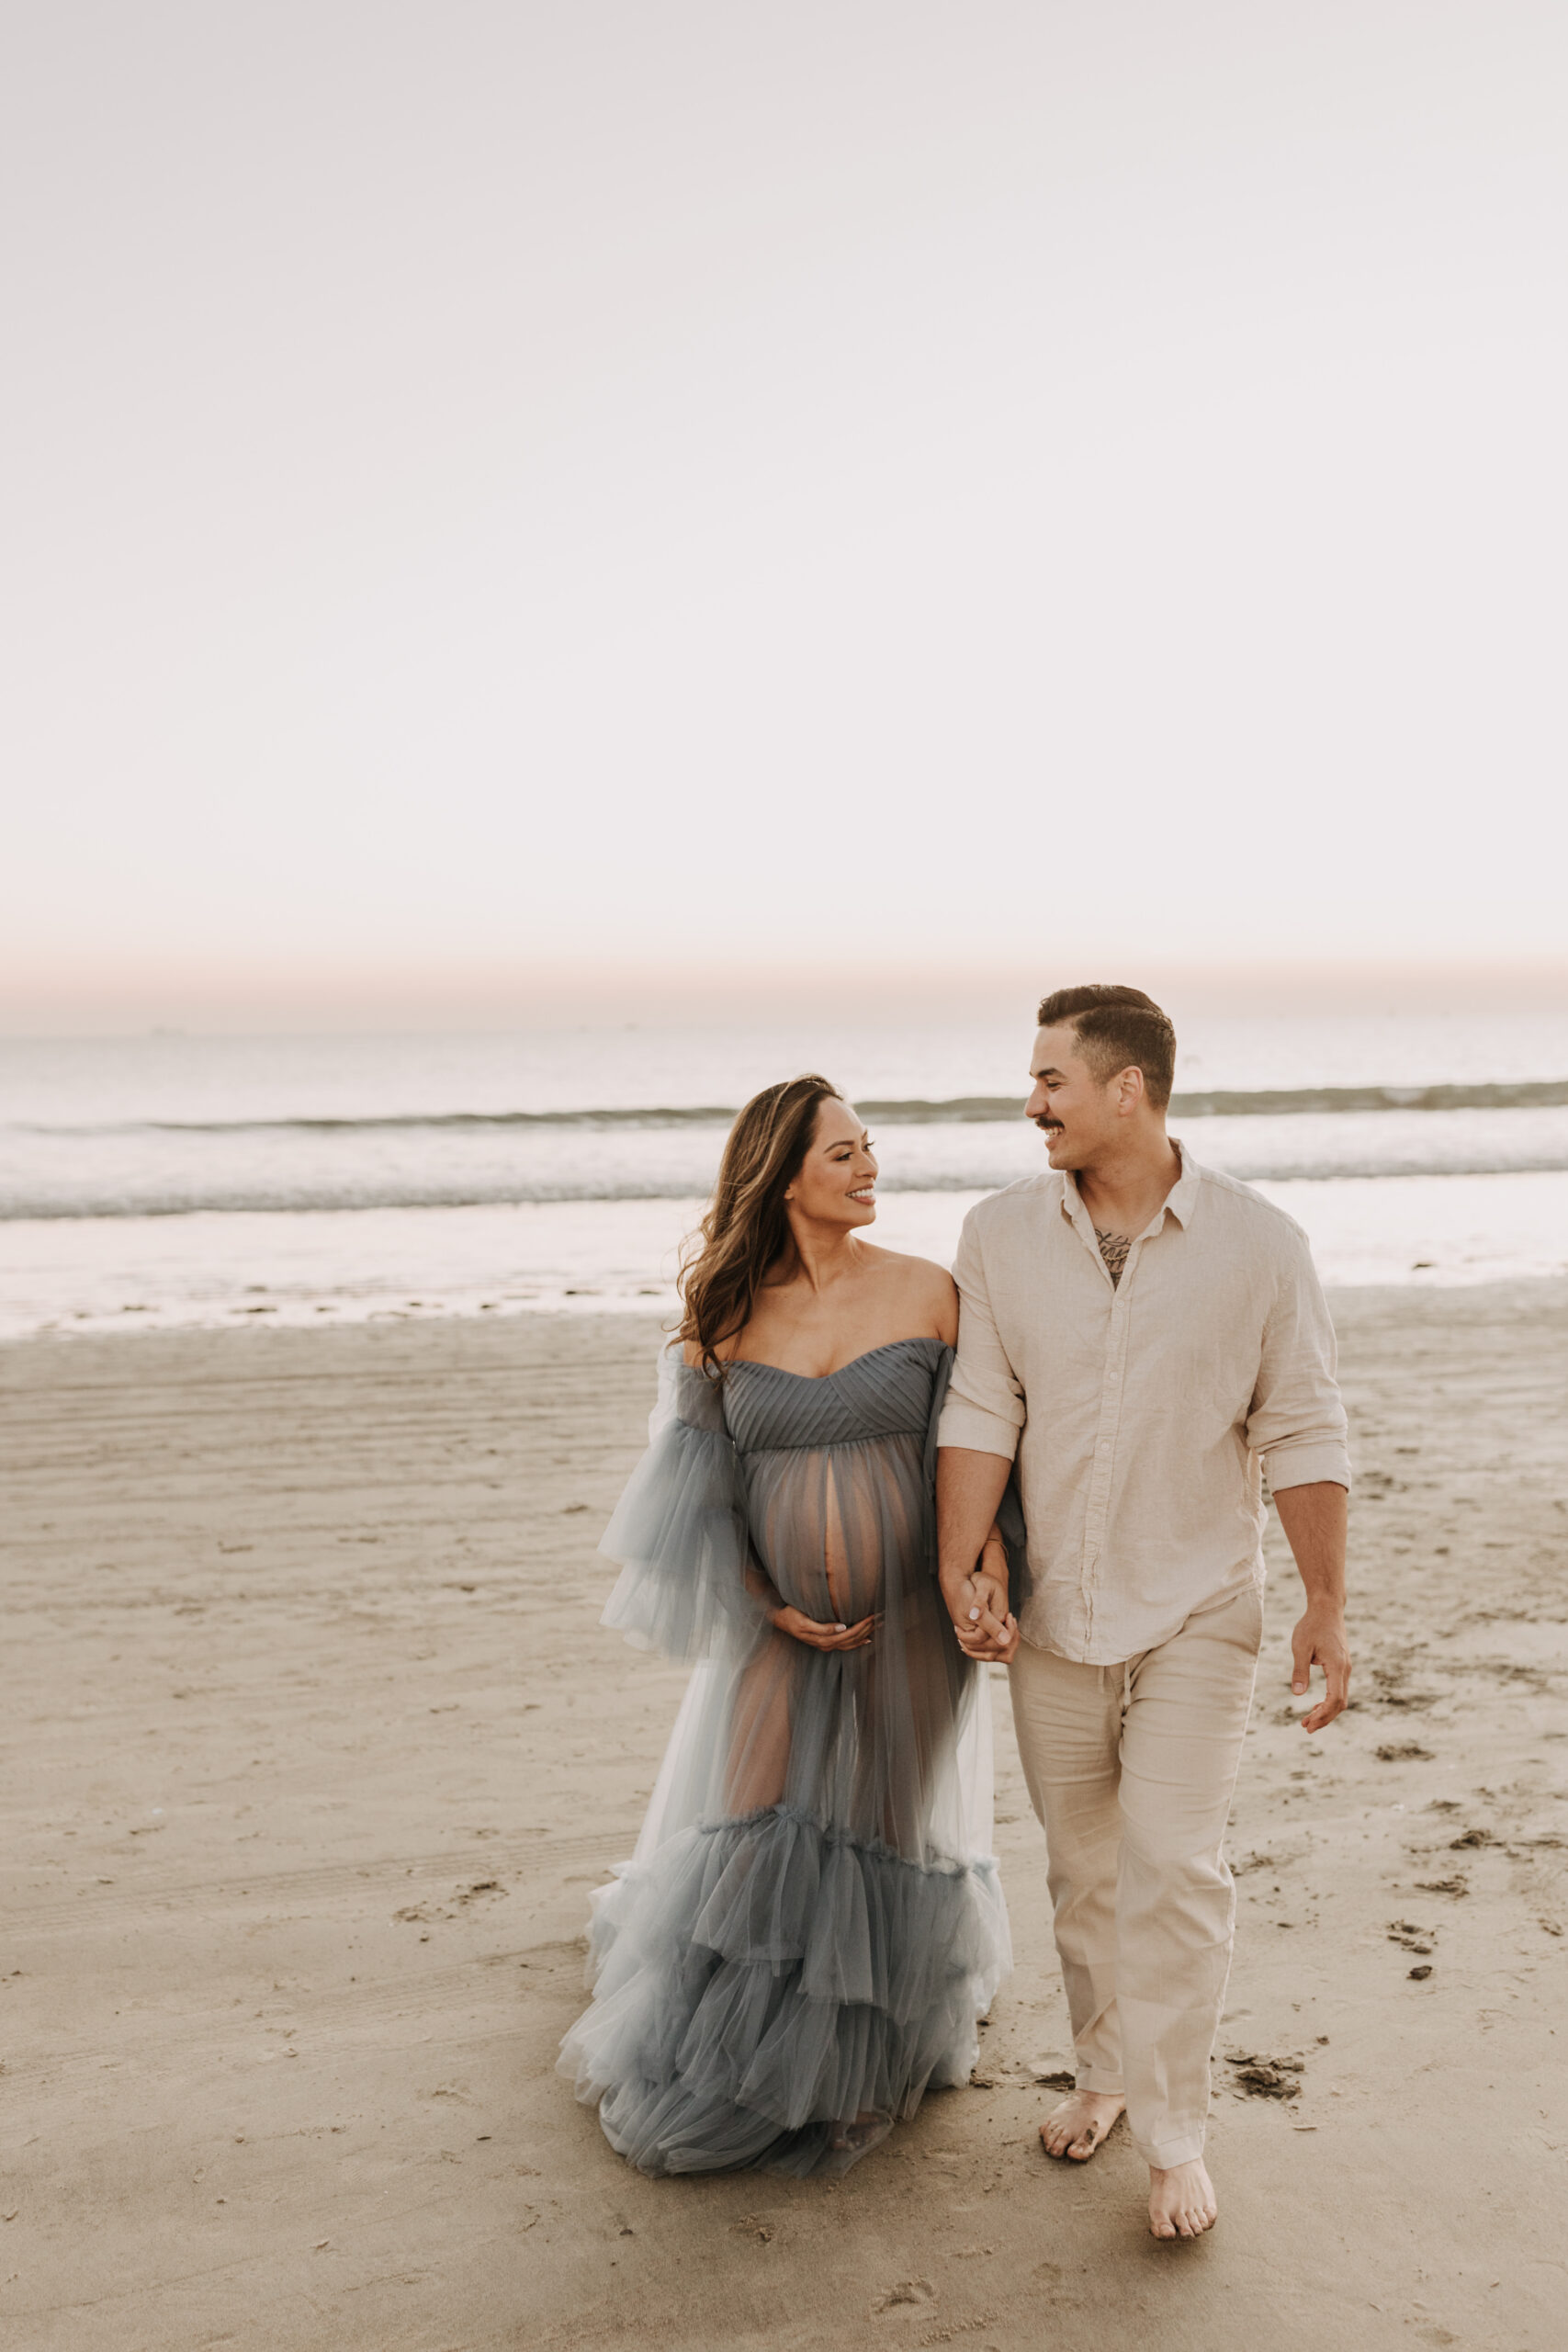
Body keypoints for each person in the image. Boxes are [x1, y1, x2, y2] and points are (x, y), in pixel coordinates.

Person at [935, 985, 1351, 2242]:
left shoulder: (1258, 1244)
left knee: (1171, 1869)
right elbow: (979, 1408)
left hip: (1198, 1607)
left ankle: (1174, 2135)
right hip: (1053, 1612)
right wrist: (967, 1563)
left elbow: (1301, 1425)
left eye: (1050, 1082)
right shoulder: (998, 1233)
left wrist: (1324, 1603)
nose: (1030, 1104)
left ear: (1126, 1089)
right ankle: (1103, 2072)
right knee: (1082, 1871)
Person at [560, 1076, 1011, 2176]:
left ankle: (855, 2067)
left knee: (878, 1831)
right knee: (758, 1821)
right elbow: (698, 1495)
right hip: (778, 1623)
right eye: (844, 1155)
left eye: (870, 1148)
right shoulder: (724, 1317)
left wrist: (987, 1558)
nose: (870, 1169)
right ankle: (730, 2051)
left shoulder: (930, 1292)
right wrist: (769, 1605)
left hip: (911, 1616)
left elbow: (988, 1453)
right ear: (783, 1175)